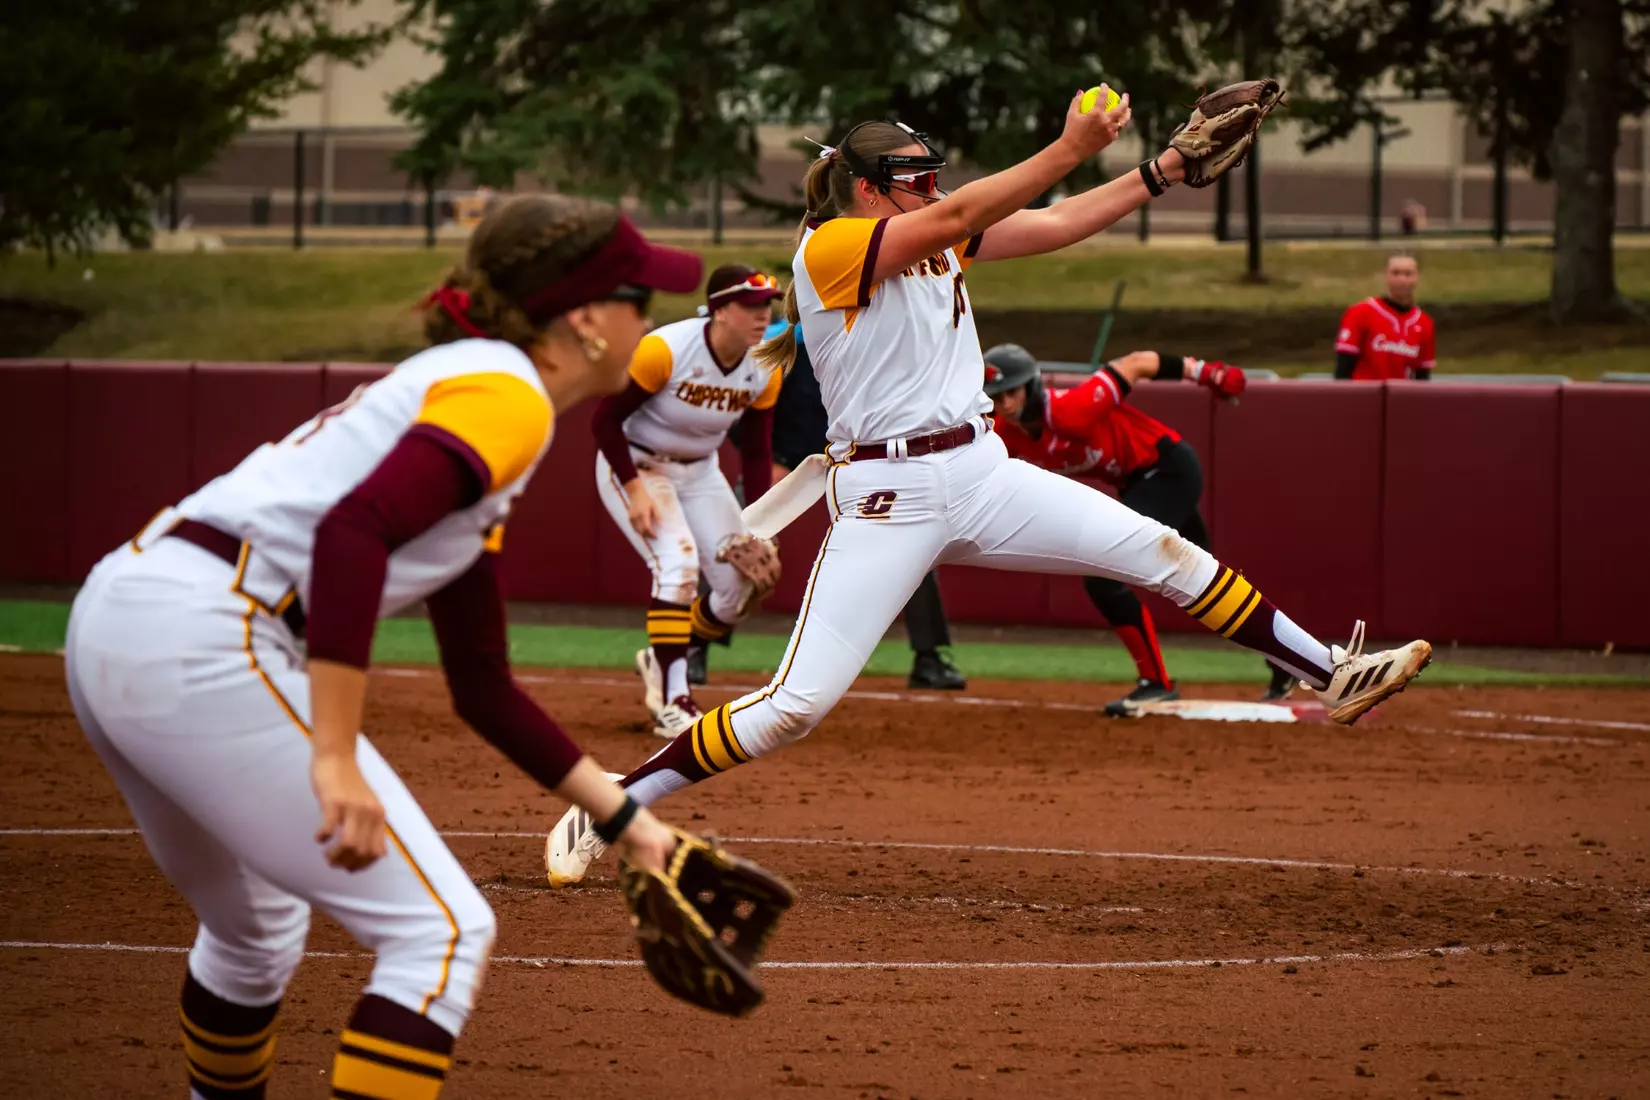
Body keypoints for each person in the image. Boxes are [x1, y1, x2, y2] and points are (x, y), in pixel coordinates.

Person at [548, 92, 1433, 886]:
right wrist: (1070, 144)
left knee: (1161, 549)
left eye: (933, 175)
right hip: (888, 493)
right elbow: (970, 210)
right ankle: (612, 805)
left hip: (979, 469)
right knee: (794, 708)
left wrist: (1161, 171)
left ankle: (1332, 673)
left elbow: (1057, 222)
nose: (932, 188)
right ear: (868, 189)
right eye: (914, 178)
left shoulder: (928, 230)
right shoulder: (834, 245)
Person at [63, 194, 695, 1100]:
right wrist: (333, 756)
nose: (650, 318)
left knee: (254, 935)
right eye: (638, 295)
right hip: (205, 629)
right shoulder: (509, 396)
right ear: (586, 318)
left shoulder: (476, 395)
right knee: (442, 934)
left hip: (130, 613)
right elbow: (353, 532)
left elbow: (481, 685)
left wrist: (630, 824)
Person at [982, 344, 1299, 711]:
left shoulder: (1071, 410)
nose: (1005, 404)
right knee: (1208, 583)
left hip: (1168, 470)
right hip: (1137, 484)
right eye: (996, 397)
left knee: (1103, 578)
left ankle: (1155, 682)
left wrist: (1205, 372)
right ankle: (1286, 660)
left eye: (1012, 392)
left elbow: (1137, 363)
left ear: (1032, 386)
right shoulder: (1006, 436)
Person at [590, 263, 784, 737]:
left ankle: (663, 655)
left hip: (699, 471)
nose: (763, 315)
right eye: (750, 305)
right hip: (636, 463)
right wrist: (634, 489)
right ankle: (674, 699)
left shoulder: (764, 365)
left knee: (740, 590)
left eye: (767, 305)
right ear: (720, 310)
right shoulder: (666, 350)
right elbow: (604, 422)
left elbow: (756, 452)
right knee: (677, 566)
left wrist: (759, 525)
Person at [767, 316, 968, 691]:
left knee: (912, 542)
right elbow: (752, 411)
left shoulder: (882, 335)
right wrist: (771, 457)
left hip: (864, 461)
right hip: (792, 461)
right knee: (739, 539)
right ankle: (697, 645)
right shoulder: (791, 341)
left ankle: (929, 657)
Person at [1334, 252, 1435, 380]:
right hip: (1364, 391)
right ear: (1386, 275)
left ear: (1417, 277)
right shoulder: (1360, 312)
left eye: (1408, 274)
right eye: (1395, 273)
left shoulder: (1424, 322)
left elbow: (1422, 375)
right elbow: (1343, 368)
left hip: (1400, 392)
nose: (1402, 279)